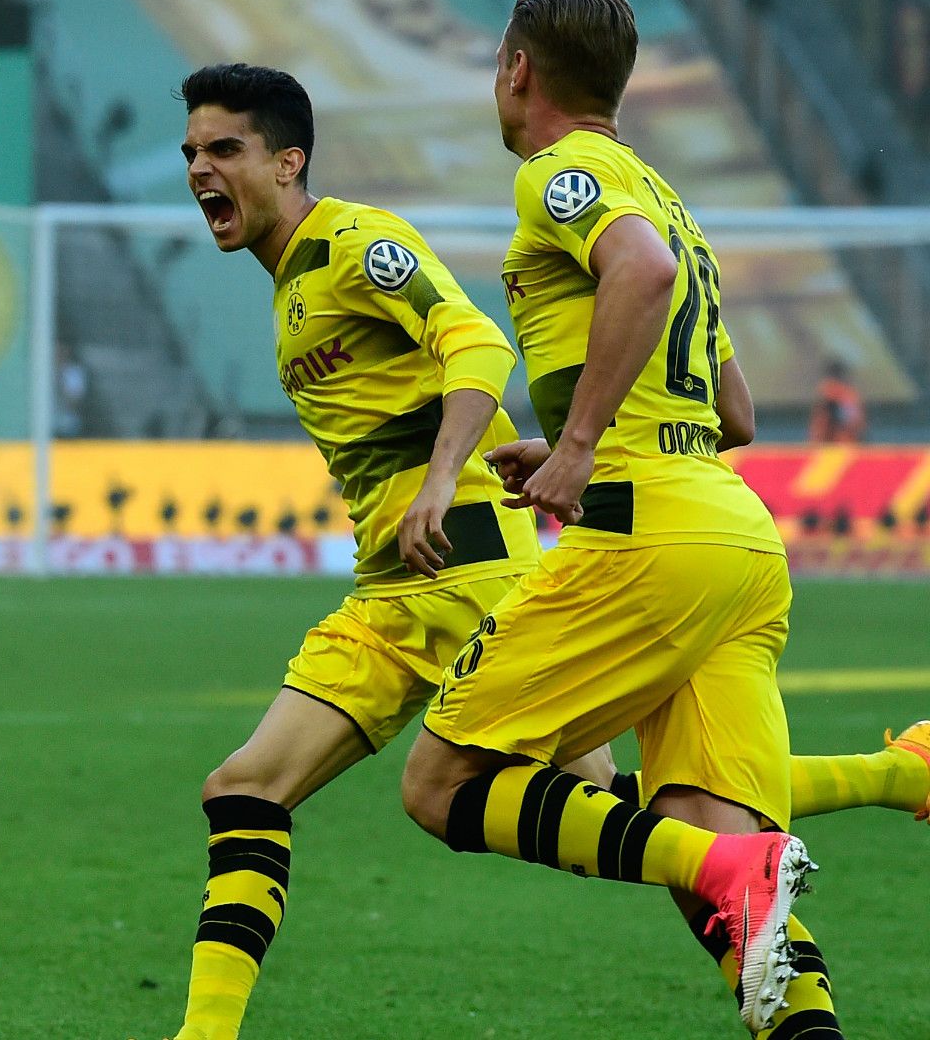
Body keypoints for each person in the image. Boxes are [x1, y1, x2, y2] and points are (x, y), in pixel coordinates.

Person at [162, 62, 930, 1040]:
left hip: (475, 577)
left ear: (287, 160)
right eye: (190, 151)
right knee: (245, 788)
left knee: (644, 820)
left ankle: (879, 785)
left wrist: (445, 476)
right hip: (395, 593)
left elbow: (476, 345)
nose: (199, 169)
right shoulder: (291, 284)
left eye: (224, 149)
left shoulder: (356, 244)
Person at [395, 0, 911, 1035]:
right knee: (701, 853)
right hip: (731, 535)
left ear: (517, 68)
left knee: (442, 782)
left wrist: (580, 448)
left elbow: (640, 270)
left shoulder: (566, 172)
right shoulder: (665, 191)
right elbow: (735, 408)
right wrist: (580, 431)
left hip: (647, 536)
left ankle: (744, 861)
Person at [808, 358, 865, 443]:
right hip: (826, 446)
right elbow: (817, 430)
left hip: (846, 445)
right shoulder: (825, 399)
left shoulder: (849, 397)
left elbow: (856, 424)